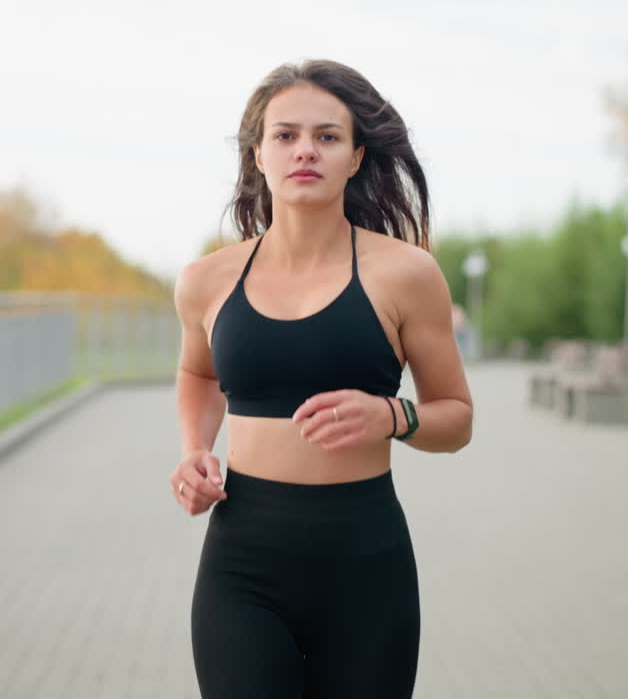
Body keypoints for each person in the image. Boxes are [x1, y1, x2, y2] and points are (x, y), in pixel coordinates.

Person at [170, 59, 474, 698]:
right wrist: (195, 452)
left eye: (327, 136)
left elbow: (456, 417)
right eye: (285, 135)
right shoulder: (207, 280)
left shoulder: (407, 274)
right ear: (259, 154)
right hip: (242, 566)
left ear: (356, 157)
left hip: (365, 566)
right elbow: (198, 374)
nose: (305, 149)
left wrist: (392, 416)